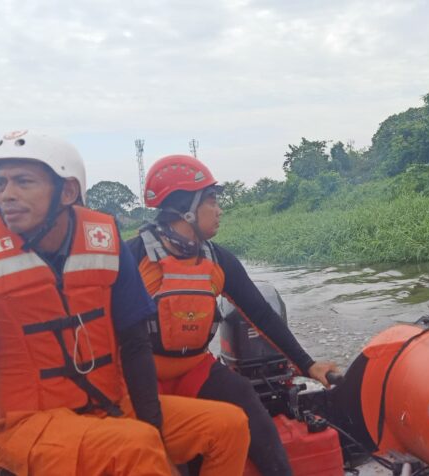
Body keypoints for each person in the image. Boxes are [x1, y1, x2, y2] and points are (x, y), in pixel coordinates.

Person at [0, 131, 250, 476]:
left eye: (23, 182)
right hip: (29, 426)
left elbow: (135, 344)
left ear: (67, 191)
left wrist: (153, 426)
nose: (6, 195)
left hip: (109, 405)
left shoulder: (104, 244)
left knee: (228, 425)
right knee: (134, 447)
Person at [126, 154, 339, 475]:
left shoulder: (218, 260)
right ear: (186, 209)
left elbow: (262, 316)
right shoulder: (133, 257)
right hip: (141, 378)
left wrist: (307, 364)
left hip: (193, 368)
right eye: (211, 200)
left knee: (243, 396)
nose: (219, 209)